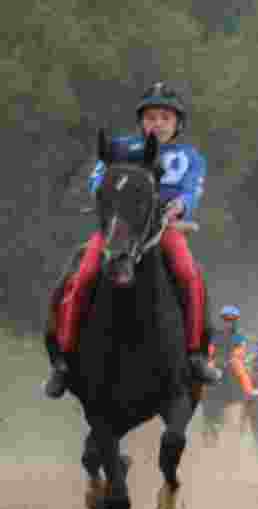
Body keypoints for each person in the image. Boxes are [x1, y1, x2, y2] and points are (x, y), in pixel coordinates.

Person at [44, 82, 219, 398]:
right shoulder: (120, 148)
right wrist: (105, 193)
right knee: (82, 277)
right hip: (118, 226)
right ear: (141, 121)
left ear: (178, 123)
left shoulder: (190, 156)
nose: (158, 123)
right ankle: (63, 362)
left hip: (162, 228)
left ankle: (195, 355)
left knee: (189, 276)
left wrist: (181, 206)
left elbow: (192, 189)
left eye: (166, 117)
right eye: (151, 116)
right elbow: (98, 177)